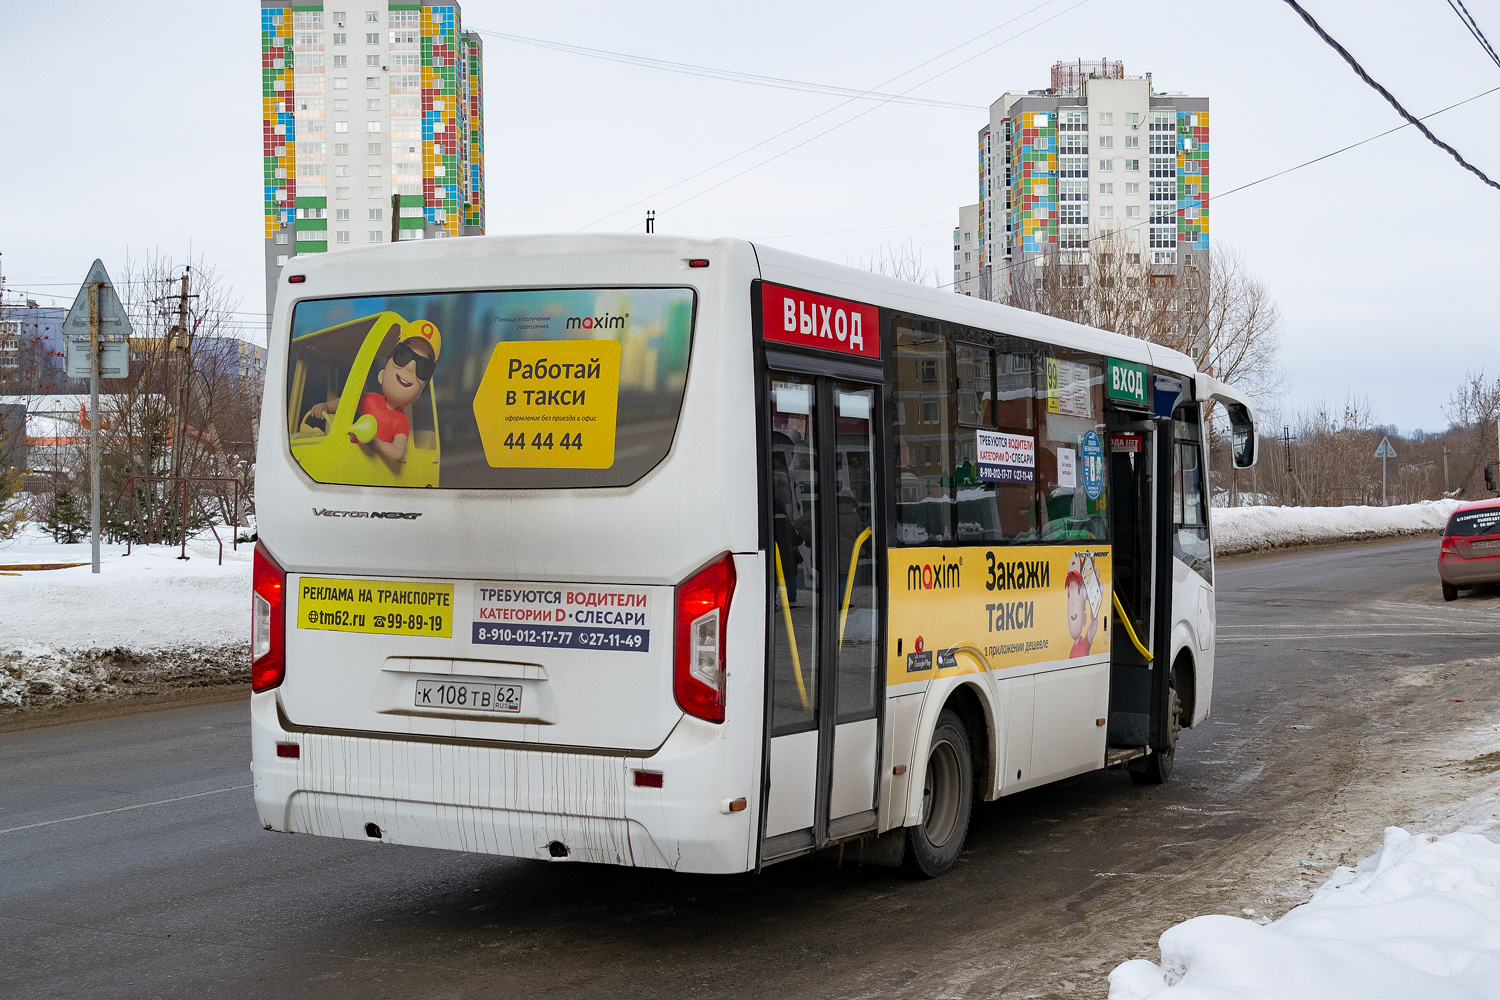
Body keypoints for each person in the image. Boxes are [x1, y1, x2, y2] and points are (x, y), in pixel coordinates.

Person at [310, 320, 440, 463]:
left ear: (418, 397)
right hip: (349, 457)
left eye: (423, 367)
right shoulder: (371, 400)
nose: (411, 368)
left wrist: (376, 442)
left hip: (373, 467)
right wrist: (326, 406)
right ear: (382, 375)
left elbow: (397, 452)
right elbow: (345, 404)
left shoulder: (402, 421)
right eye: (403, 355)